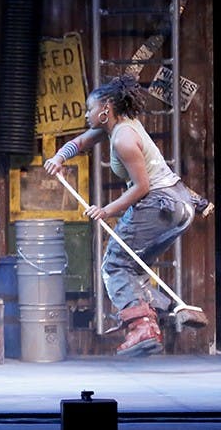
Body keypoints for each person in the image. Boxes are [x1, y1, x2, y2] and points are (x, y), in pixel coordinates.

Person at [44, 74, 212, 357]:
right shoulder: (115, 127)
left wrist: (105, 210)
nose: (86, 114)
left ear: (106, 108)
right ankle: (173, 309)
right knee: (132, 270)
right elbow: (82, 142)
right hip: (179, 204)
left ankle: (143, 329)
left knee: (114, 266)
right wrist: (59, 157)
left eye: (90, 109)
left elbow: (142, 187)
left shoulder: (123, 138)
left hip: (160, 205)